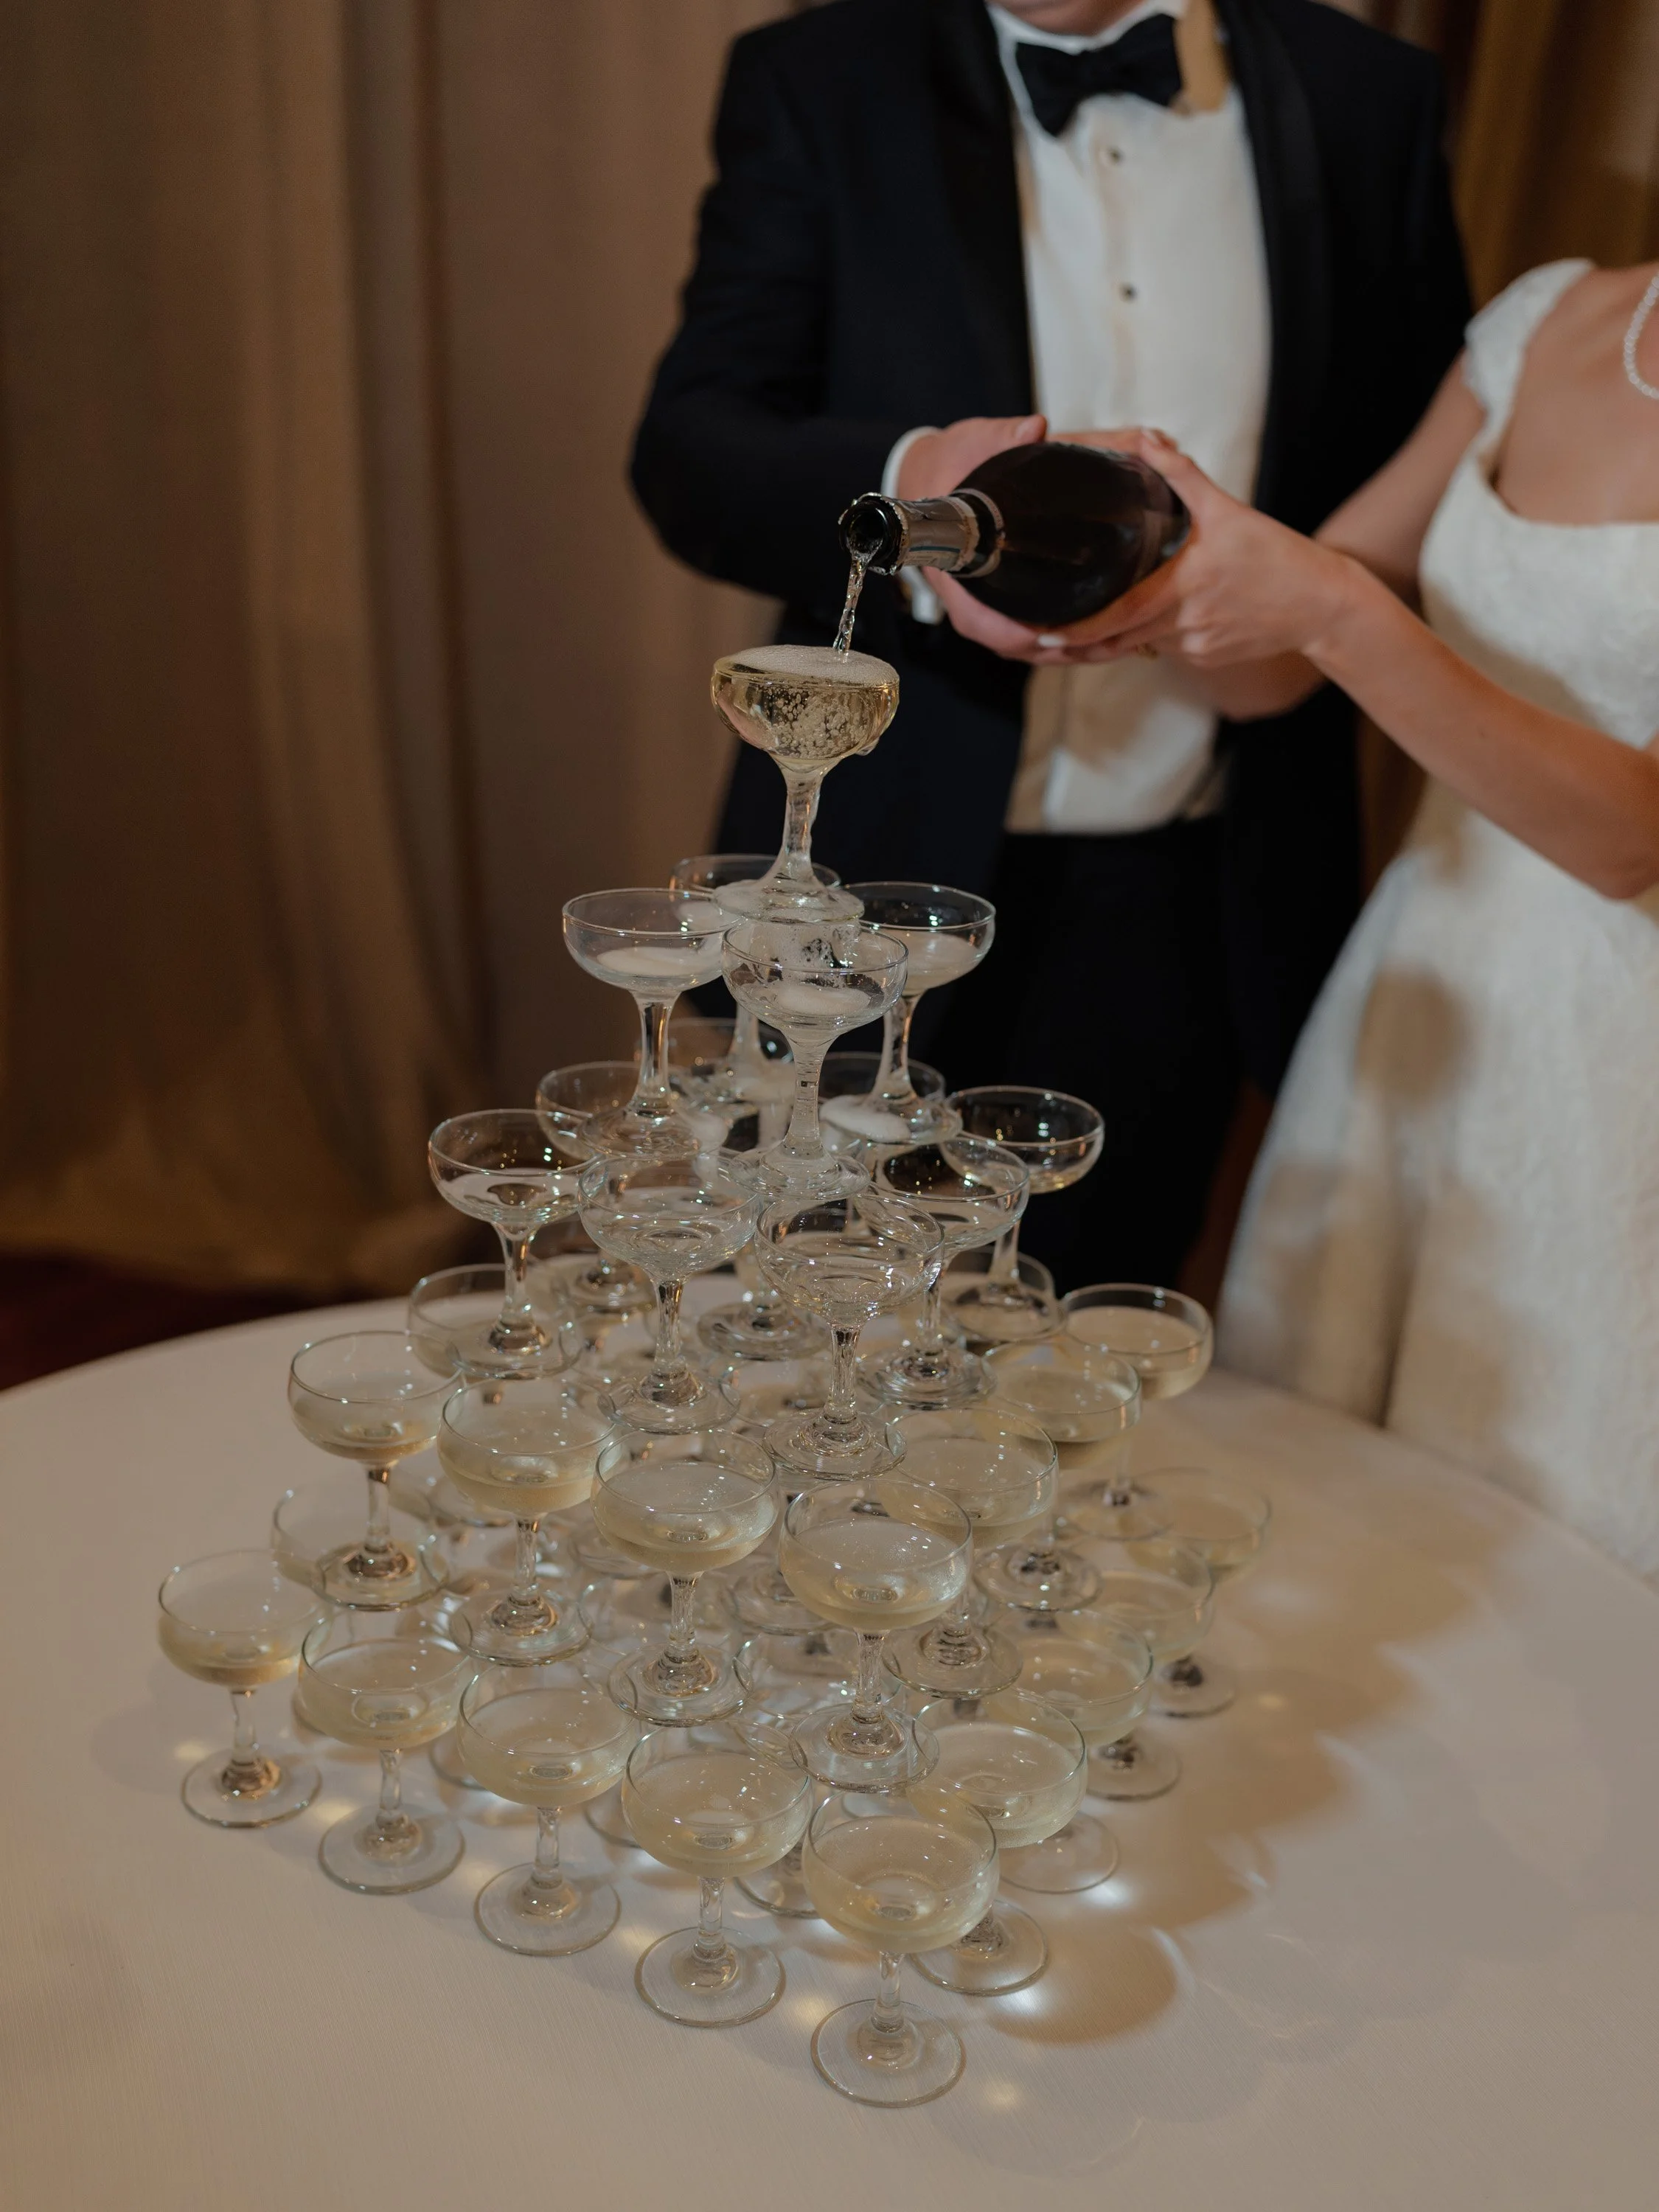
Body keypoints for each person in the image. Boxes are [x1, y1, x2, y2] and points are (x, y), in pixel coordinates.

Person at [631, 0, 1469, 1288]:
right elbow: (691, 448)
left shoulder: (1368, 97)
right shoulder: (817, 74)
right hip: (872, 863)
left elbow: (1426, 471)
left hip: (1200, 875)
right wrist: (914, 495)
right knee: (790, 1307)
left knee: (1078, 1326)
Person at [1059, 260, 1659, 1578]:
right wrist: (1158, 564)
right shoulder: (1547, 319)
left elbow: (1626, 840)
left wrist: (1328, 607)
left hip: (1626, 1055)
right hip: (1427, 985)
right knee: (1338, 1551)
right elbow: (1277, 667)